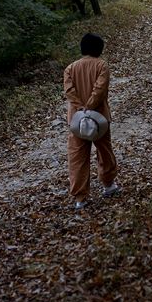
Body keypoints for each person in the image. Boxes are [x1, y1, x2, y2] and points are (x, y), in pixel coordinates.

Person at [64, 33, 120, 210]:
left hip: (76, 121)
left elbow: (69, 91)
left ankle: (80, 197)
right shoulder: (101, 65)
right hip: (100, 118)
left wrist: (80, 108)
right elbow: (100, 89)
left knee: (77, 157)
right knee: (104, 151)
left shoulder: (70, 68)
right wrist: (89, 106)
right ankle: (108, 185)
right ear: (99, 49)